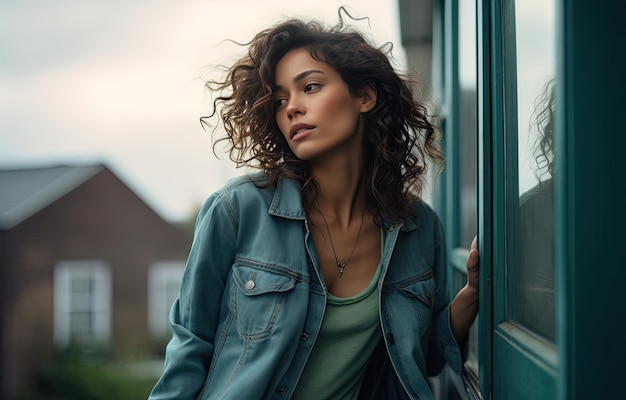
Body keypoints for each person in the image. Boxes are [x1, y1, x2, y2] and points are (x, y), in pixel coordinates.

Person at [149, 9, 479, 400]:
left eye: (310, 87)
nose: (291, 108)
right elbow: (190, 349)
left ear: (365, 96)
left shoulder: (417, 227)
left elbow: (422, 360)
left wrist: (474, 293)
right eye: (279, 99)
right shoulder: (237, 210)